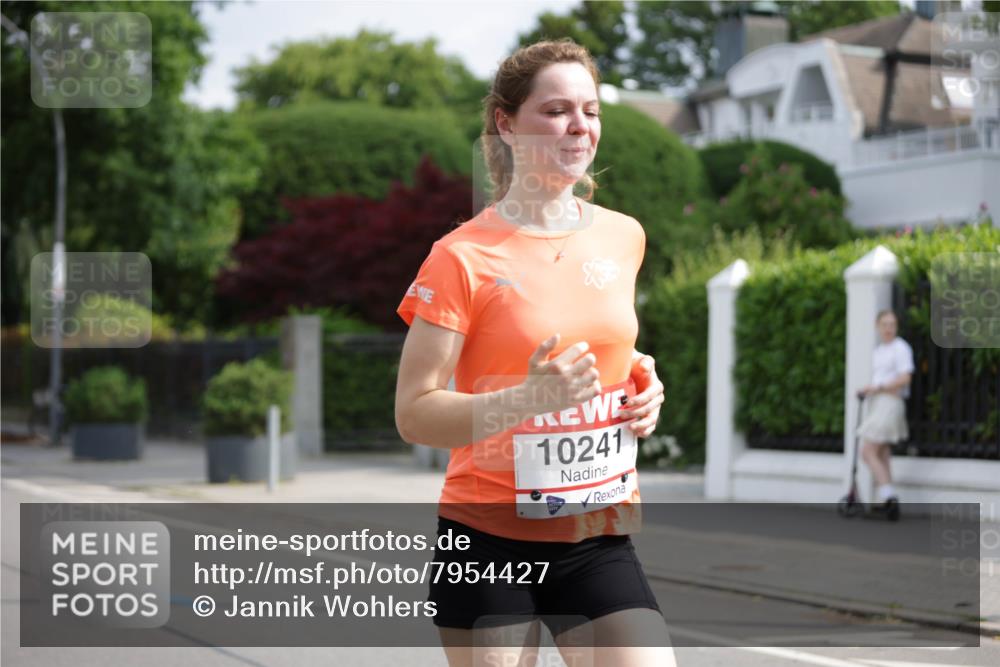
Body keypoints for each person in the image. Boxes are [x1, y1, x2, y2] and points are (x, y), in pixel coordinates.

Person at [394, 39, 675, 667]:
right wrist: (526, 400)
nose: (579, 126)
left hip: (596, 533)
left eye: (591, 110)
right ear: (506, 123)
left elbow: (602, 345)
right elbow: (413, 412)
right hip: (488, 540)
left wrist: (641, 382)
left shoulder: (623, 235)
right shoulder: (461, 257)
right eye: (556, 110)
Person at [856, 309, 915, 509]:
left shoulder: (901, 348)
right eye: (885, 325)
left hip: (890, 403)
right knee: (882, 453)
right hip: (878, 403)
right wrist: (869, 390)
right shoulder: (879, 350)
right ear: (877, 326)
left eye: (892, 325)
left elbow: (905, 378)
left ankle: (888, 496)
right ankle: (886, 499)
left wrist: (878, 387)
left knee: (867, 451)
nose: (889, 329)